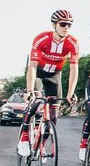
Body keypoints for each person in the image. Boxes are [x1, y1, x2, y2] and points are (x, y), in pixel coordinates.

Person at [17, 9, 80, 157]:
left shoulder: (73, 43)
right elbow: (31, 66)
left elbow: (74, 68)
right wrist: (29, 90)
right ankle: (24, 138)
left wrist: (71, 93)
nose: (66, 28)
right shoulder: (42, 39)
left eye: (69, 25)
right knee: (35, 102)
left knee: (53, 116)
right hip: (38, 73)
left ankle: (42, 144)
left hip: (55, 76)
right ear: (54, 25)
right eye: (63, 24)